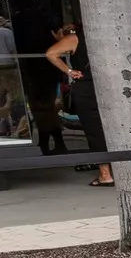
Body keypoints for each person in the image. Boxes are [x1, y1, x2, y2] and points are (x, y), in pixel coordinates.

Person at [43, 24, 113, 186]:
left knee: (94, 129)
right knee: (113, 127)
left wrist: (69, 71)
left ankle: (105, 173)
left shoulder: (74, 38)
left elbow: (51, 53)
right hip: (110, 85)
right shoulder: (107, 35)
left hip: (87, 86)